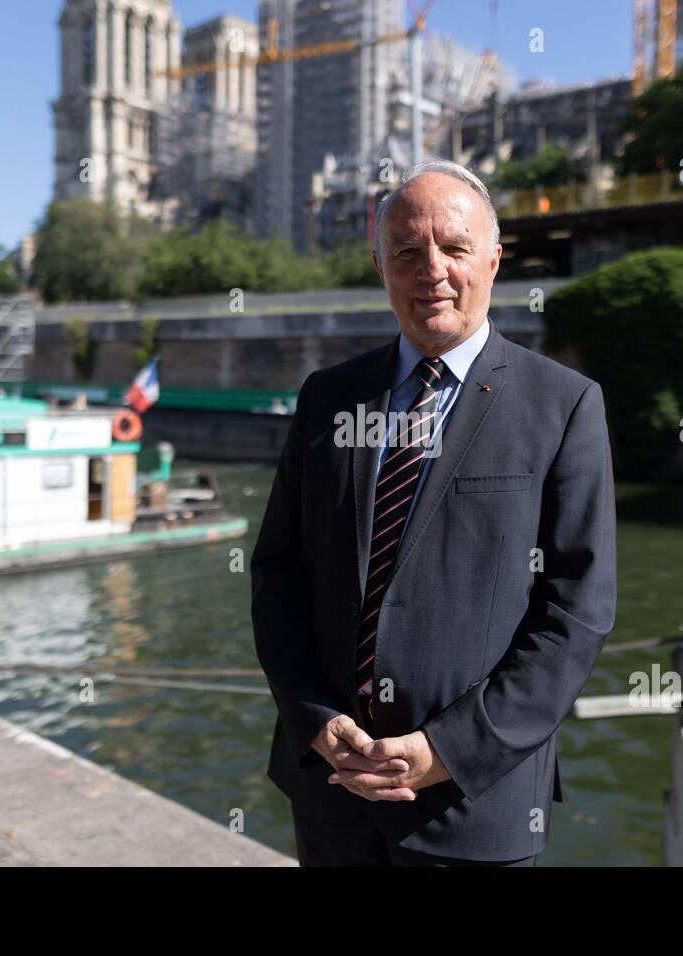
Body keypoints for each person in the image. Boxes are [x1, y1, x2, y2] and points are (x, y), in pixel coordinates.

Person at [251, 160, 617, 867]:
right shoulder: (328, 397)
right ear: (381, 263)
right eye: (408, 252)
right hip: (333, 793)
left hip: (478, 806)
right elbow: (277, 574)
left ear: (494, 259)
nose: (433, 272)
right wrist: (314, 719)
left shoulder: (562, 405)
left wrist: (445, 750)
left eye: (454, 248)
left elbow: (576, 613)